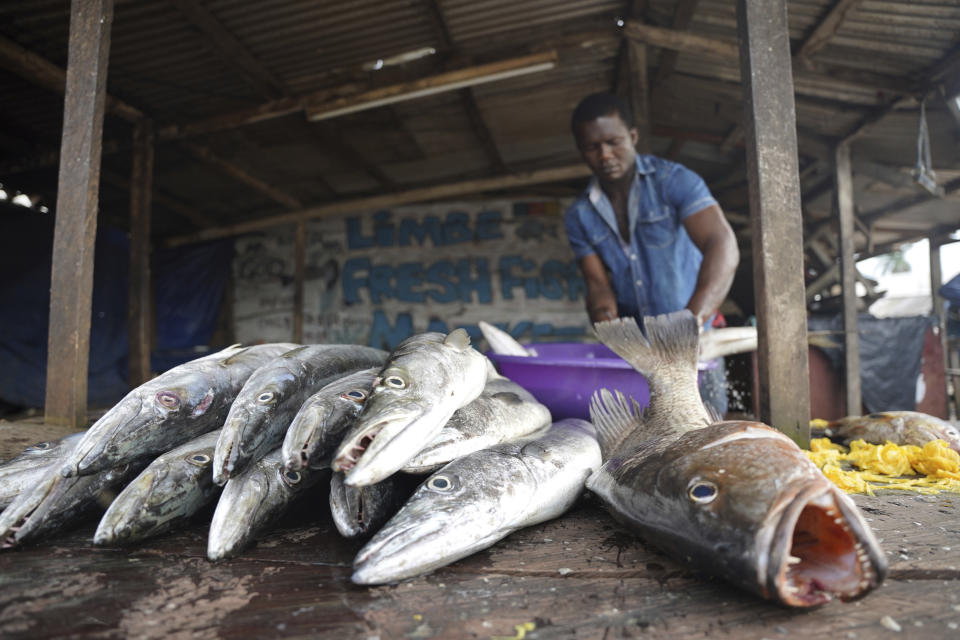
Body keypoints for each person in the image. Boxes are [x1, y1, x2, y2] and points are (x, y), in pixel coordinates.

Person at [564, 92, 739, 413]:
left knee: (709, 431)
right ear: (581, 150)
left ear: (632, 137)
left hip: (698, 344)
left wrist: (692, 322)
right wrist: (608, 324)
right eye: (592, 147)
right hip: (640, 355)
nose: (604, 155)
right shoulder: (579, 215)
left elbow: (721, 243)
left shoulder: (674, 181)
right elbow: (598, 286)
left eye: (613, 142)